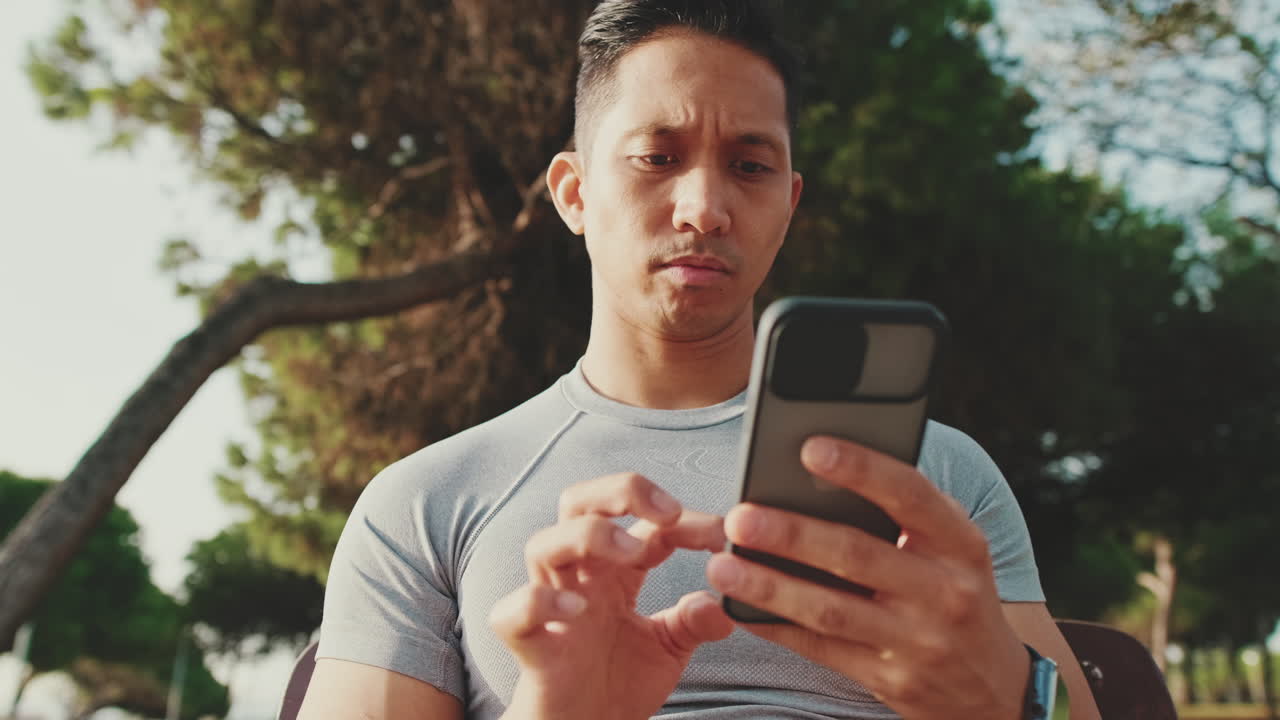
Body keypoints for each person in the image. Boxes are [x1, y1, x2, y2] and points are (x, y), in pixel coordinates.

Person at [297, 1, 1102, 718]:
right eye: (657, 156)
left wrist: (1008, 699)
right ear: (574, 194)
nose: (706, 209)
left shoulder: (938, 481)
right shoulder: (424, 503)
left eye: (751, 166)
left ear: (788, 203)